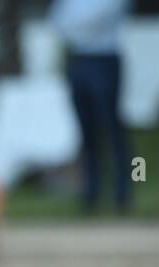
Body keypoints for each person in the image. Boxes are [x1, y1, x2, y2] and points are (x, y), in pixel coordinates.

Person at [51, 0, 131, 213]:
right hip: (80, 58)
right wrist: (80, 26)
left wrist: (78, 25)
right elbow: (59, 21)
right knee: (85, 129)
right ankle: (91, 192)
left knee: (112, 126)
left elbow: (98, 19)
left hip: (105, 58)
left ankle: (123, 192)